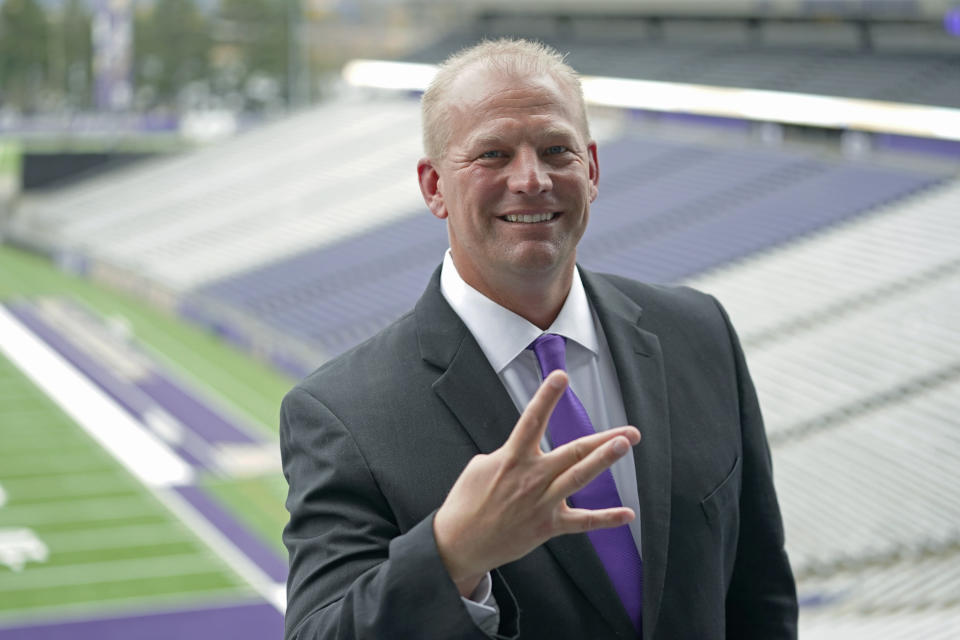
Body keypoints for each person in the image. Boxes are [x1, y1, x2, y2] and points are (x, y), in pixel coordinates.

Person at [280, 38, 798, 639]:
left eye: (556, 150)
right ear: (433, 187)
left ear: (593, 169)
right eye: (493, 155)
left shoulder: (699, 333)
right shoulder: (345, 414)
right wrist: (452, 555)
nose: (530, 179)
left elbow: (760, 595)